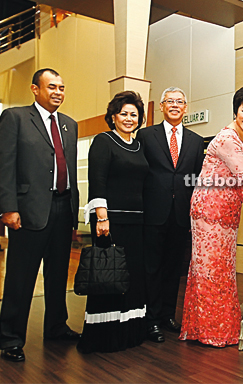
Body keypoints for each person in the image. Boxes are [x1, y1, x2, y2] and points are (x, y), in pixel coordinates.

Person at [179, 86, 243, 347]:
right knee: (210, 272)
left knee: (221, 271)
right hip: (209, 212)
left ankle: (208, 329)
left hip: (226, 211)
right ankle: (211, 332)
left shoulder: (242, 138)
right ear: (235, 110)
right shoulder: (229, 138)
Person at [0, 68, 80, 362]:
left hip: (63, 208)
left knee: (58, 275)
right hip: (28, 210)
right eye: (52, 86)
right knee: (21, 277)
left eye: (62, 87)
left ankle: (56, 327)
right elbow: (4, 164)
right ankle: (11, 338)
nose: (58, 92)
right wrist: (8, 207)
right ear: (35, 89)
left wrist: (74, 211)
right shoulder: (15, 118)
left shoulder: (69, 125)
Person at [78, 91, 150, 353]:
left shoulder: (139, 145)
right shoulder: (103, 141)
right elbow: (97, 180)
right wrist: (102, 217)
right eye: (124, 114)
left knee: (133, 277)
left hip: (137, 222)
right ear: (113, 117)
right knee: (109, 276)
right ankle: (105, 337)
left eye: (134, 114)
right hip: (110, 222)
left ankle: (130, 333)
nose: (129, 118)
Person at [136, 87, 205, 343]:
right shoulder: (145, 135)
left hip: (181, 215)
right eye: (170, 101)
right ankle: (151, 319)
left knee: (174, 268)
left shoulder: (196, 141)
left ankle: (167, 315)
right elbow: (139, 173)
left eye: (179, 102)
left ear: (185, 107)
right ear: (162, 106)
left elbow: (197, 179)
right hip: (153, 212)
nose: (175, 105)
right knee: (152, 268)